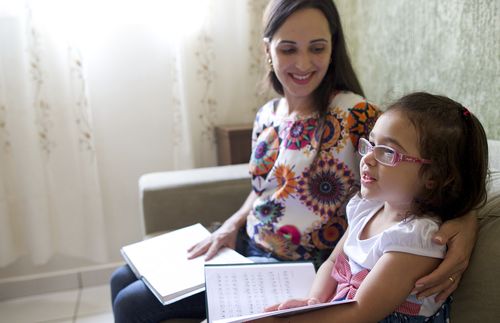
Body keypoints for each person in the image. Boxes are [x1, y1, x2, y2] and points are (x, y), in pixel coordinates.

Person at [110, 1, 478, 322]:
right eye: (288, 49)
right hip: (248, 247)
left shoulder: (354, 113)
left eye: (317, 48)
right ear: (267, 50)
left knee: (132, 304)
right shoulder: (267, 115)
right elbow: (263, 191)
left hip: (296, 266)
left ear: (333, 49)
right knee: (120, 278)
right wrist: (230, 227)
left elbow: (428, 168)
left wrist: (466, 219)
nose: (303, 63)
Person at [262, 92, 488, 322]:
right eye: (371, 144)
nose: (368, 158)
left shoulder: (416, 238)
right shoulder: (367, 208)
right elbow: (332, 263)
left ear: (434, 176)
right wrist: (314, 302)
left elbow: (361, 312)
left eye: (388, 152)